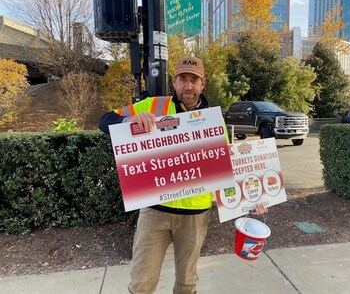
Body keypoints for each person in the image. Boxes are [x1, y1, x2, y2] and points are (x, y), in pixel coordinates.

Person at [98, 56, 267, 294]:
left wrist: (253, 199)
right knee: (141, 284)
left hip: (195, 216)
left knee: (187, 284)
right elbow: (105, 120)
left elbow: (229, 166)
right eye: (183, 79)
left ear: (202, 83)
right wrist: (129, 120)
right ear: (174, 82)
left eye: (194, 80)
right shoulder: (153, 106)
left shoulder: (213, 119)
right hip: (154, 211)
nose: (188, 86)